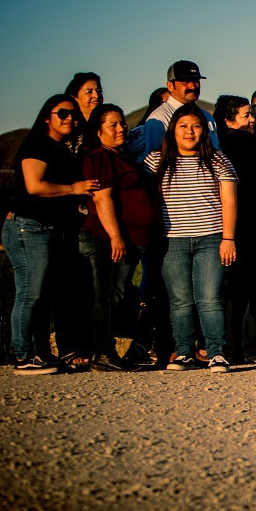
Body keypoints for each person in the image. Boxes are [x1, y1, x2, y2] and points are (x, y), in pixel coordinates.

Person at [4, 95, 98, 374]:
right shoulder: (38, 144)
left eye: (73, 114)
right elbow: (34, 186)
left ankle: (40, 354)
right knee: (29, 294)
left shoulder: (58, 148)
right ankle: (23, 356)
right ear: (47, 116)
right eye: (63, 113)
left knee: (41, 295)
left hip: (45, 228)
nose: (70, 118)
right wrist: (74, 189)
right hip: (28, 226)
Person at [143, 103, 237, 373]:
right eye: (183, 126)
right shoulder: (155, 161)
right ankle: (183, 352)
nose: (189, 132)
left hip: (211, 237)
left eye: (195, 126)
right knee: (180, 299)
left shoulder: (218, 159)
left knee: (210, 298)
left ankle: (216, 353)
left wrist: (228, 238)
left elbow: (229, 201)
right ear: (173, 130)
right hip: (171, 240)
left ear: (203, 131)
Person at [80, 104, 158, 372]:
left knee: (118, 292)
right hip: (113, 237)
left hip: (133, 237)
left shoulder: (120, 155)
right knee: (110, 294)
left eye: (122, 123)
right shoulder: (100, 157)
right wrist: (115, 236)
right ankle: (103, 353)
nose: (121, 128)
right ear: (98, 130)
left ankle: (111, 351)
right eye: (112, 124)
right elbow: (102, 199)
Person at [214, 95, 256, 365]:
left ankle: (236, 347)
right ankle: (246, 346)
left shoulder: (225, 146)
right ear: (229, 120)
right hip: (251, 226)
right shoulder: (245, 144)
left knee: (239, 290)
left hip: (245, 224)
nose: (252, 119)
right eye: (246, 115)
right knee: (249, 289)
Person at [143, 60, 219, 158]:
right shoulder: (159, 119)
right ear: (170, 86)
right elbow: (155, 160)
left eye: (196, 80)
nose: (192, 86)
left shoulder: (207, 117)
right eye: (185, 81)